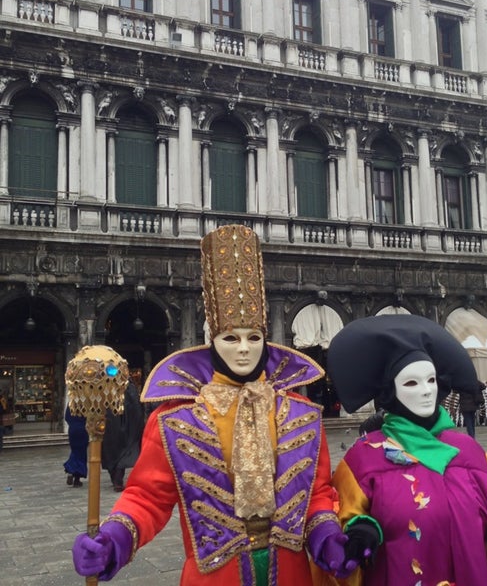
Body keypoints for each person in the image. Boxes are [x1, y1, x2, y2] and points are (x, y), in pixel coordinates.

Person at [72, 224, 352, 585]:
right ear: (211, 341)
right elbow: (148, 497)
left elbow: (316, 493)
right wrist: (116, 538)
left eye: (254, 337)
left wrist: (326, 538)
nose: (243, 349)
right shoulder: (176, 418)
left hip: (293, 574)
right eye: (230, 338)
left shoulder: (300, 412)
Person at [327, 314, 487, 586]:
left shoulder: (470, 453)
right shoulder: (362, 460)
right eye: (411, 383)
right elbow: (340, 526)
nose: (426, 391)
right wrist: (360, 530)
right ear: (391, 392)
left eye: (431, 380)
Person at [101, 379, 145, 491]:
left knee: (113, 453)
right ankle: (117, 481)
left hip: (111, 425)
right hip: (124, 426)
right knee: (122, 453)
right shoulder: (129, 388)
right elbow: (137, 409)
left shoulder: (108, 386)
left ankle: (116, 479)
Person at [63, 405, 89, 487]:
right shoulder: (86, 403)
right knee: (81, 453)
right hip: (83, 430)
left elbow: (67, 417)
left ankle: (71, 471)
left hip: (73, 430)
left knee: (74, 451)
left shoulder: (71, 404)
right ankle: (77, 479)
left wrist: (73, 424)